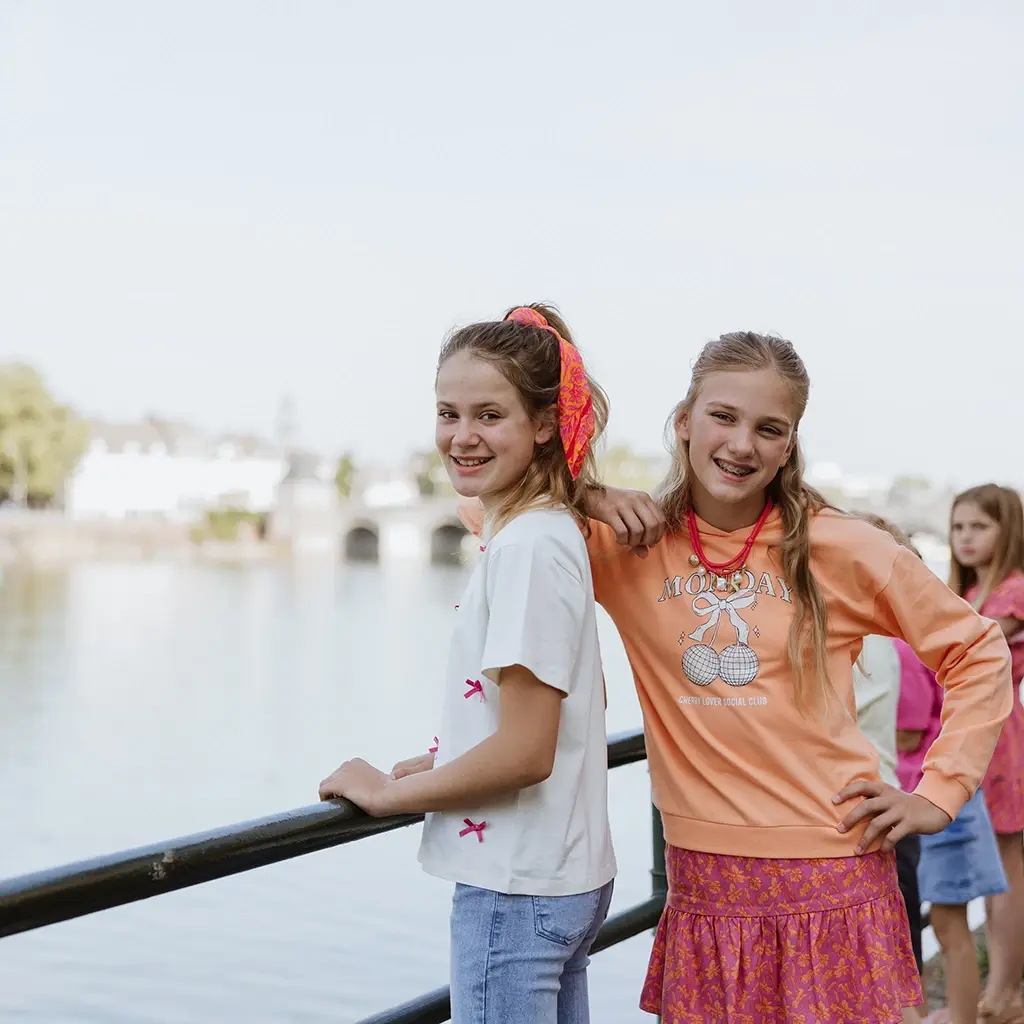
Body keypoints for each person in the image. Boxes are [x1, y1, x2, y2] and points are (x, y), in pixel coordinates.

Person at [576, 332, 1013, 1022]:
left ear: (789, 444)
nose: (742, 443)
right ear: (684, 420)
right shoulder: (630, 543)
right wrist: (588, 494)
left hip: (834, 881)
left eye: (768, 428)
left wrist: (938, 792)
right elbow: (489, 503)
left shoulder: (843, 546)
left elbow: (979, 653)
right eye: (723, 416)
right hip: (705, 894)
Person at [318, 305, 617, 1024]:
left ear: (544, 423)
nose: (462, 436)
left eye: (489, 415)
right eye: (448, 413)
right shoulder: (542, 532)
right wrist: (450, 756)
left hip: (515, 886)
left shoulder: (526, 550)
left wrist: (389, 795)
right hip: (560, 872)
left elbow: (527, 751)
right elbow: (554, 708)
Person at [948, 484, 1024, 1024]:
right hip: (972, 735)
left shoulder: (1013, 592)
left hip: (1000, 740)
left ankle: (1002, 990)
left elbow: (965, 650)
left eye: (979, 526)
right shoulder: (970, 593)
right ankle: (997, 988)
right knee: (987, 869)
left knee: (1007, 871)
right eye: (958, 528)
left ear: (1009, 531)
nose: (966, 538)